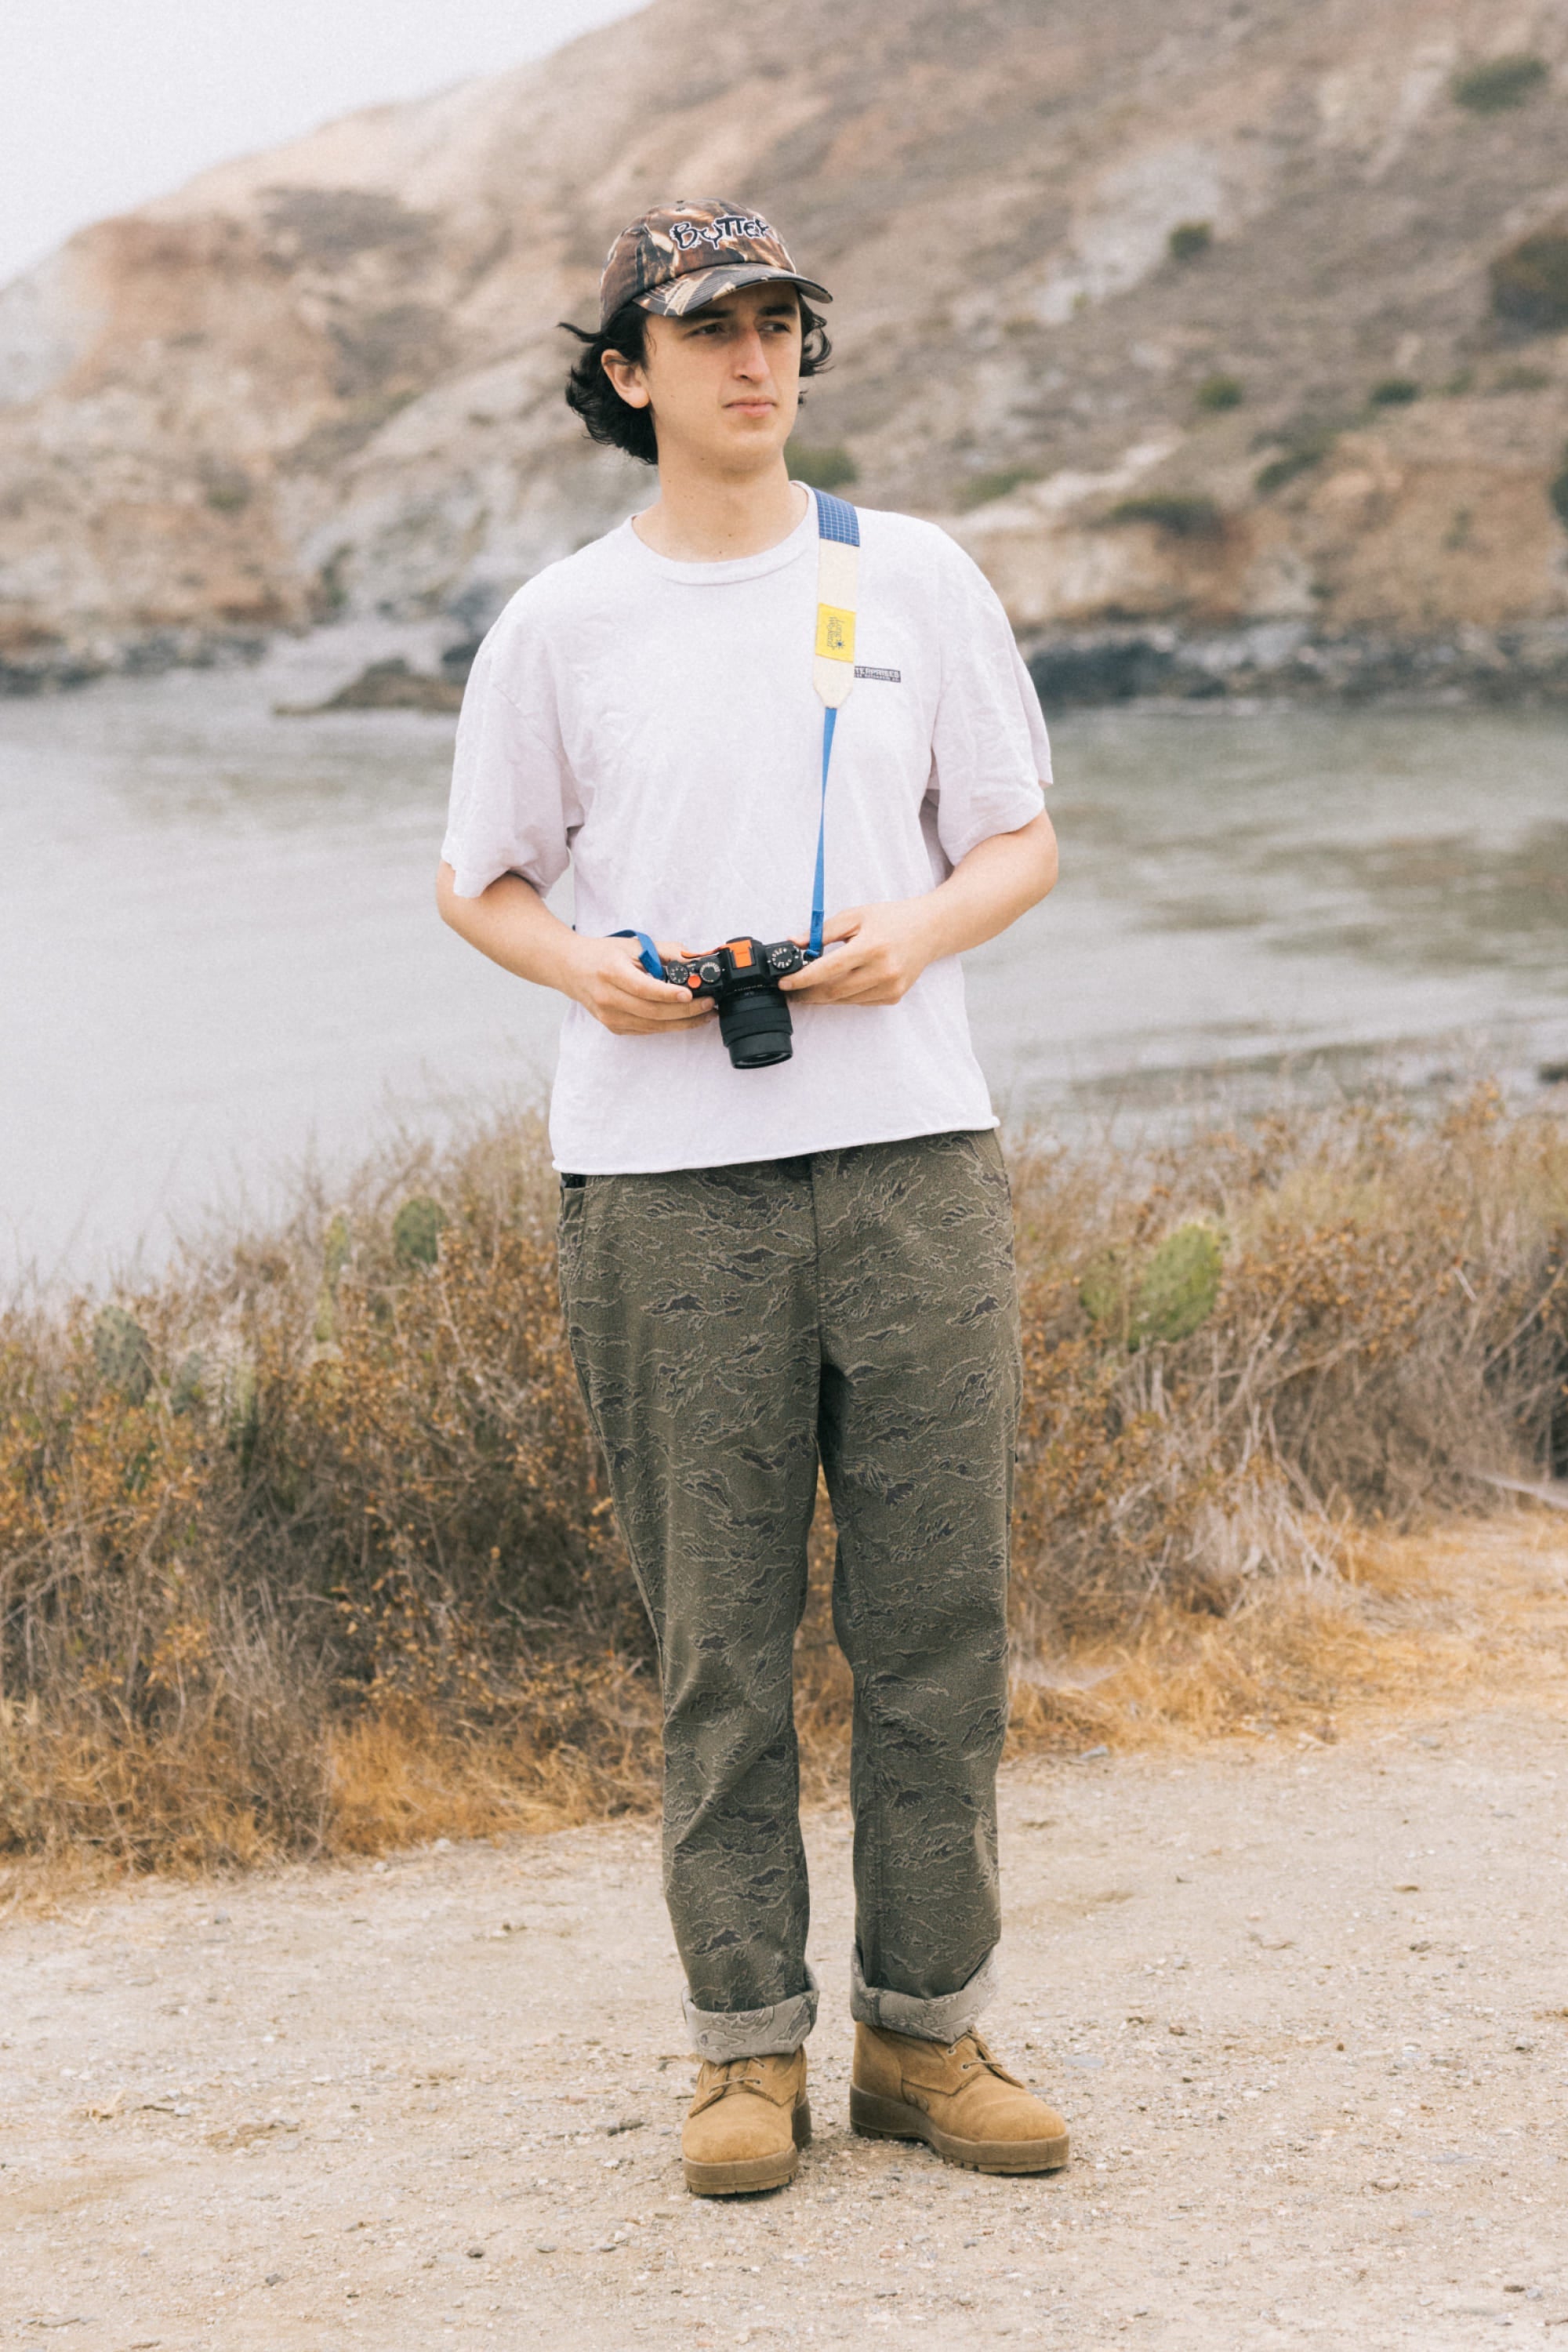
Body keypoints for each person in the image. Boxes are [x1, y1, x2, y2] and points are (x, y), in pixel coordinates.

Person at [437, 199, 1067, 2198]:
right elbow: (482, 875)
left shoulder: (918, 575)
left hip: (907, 1153)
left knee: (937, 1624)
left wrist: (908, 937)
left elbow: (1021, 842)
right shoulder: (559, 622)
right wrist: (585, 973)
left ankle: (925, 2038)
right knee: (716, 1637)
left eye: (781, 320)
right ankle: (740, 2055)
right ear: (627, 372)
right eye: (707, 326)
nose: (754, 356)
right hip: (657, 1182)